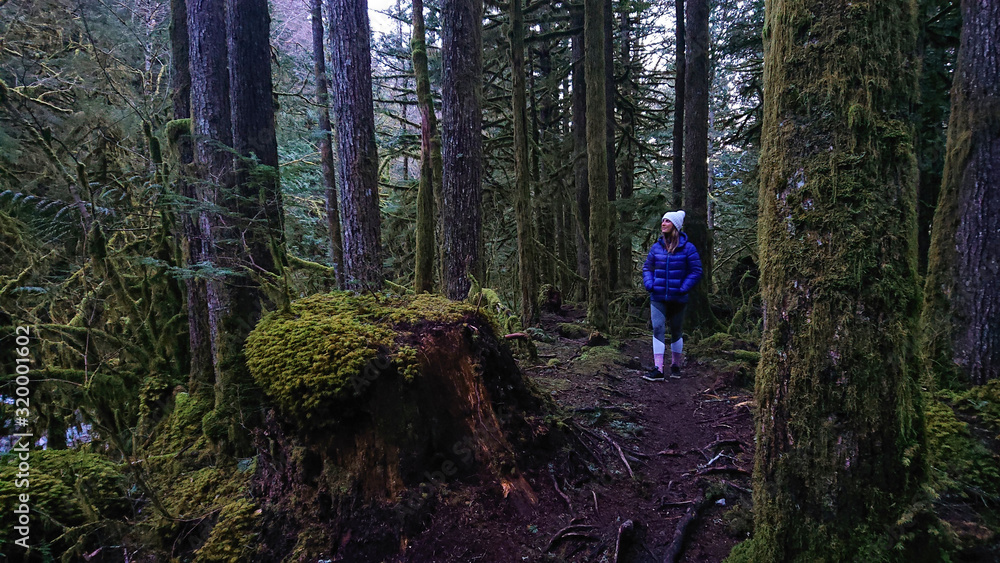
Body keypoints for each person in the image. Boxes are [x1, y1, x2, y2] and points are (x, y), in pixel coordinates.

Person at [641, 210, 702, 381]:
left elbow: (696, 271)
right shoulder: (656, 247)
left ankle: (676, 365)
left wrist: (683, 288)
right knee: (658, 328)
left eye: (667, 221)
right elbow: (647, 268)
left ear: (675, 225)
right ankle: (658, 369)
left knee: (676, 330)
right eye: (663, 221)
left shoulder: (688, 248)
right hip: (658, 296)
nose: (663, 223)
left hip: (678, 297)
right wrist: (649, 284)